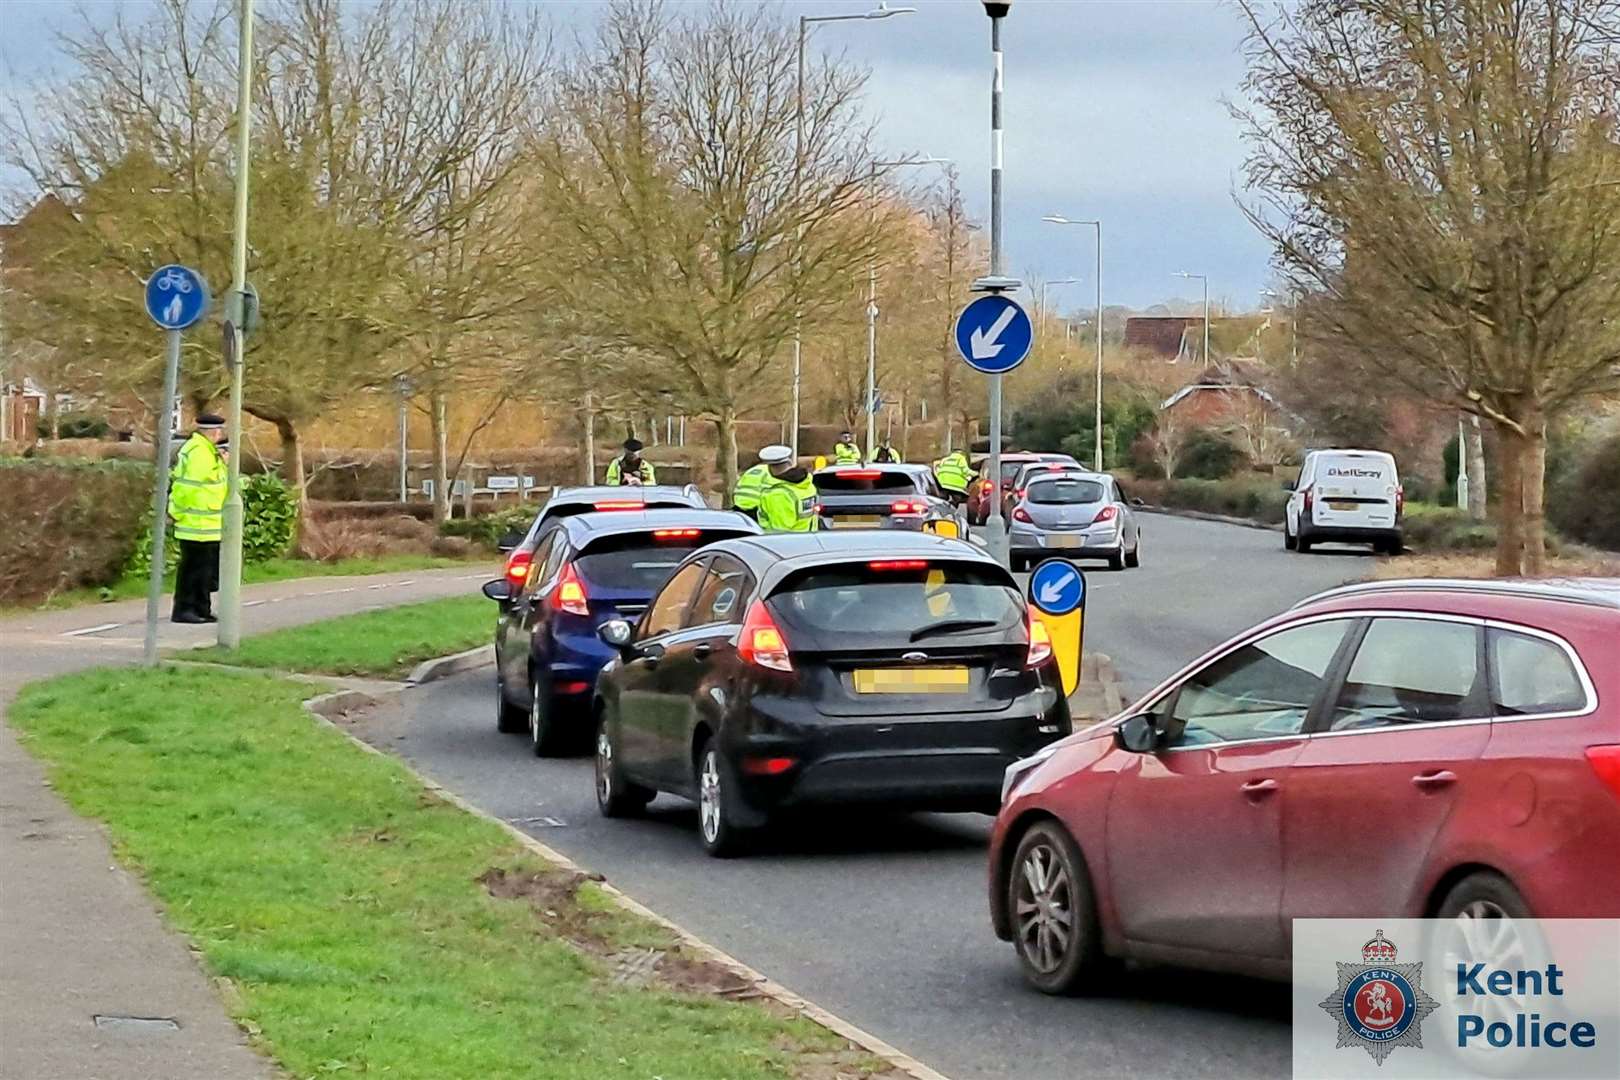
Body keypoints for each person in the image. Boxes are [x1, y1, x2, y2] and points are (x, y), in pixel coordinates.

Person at [169, 413, 229, 623]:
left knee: (205, 570)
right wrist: (179, 512)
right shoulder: (199, 452)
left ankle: (202, 608)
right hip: (196, 521)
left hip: (207, 522)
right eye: (219, 431)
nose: (220, 435)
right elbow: (191, 487)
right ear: (213, 432)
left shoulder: (207, 451)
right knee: (193, 569)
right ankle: (185, 609)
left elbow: (219, 483)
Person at [756, 444, 819, 533]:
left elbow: (779, 531)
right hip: (808, 538)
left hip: (784, 543)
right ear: (789, 463)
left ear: (770, 468)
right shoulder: (807, 485)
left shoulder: (777, 494)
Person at [731, 450, 773, 520]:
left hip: (738, 509)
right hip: (756, 510)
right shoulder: (771, 472)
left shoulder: (750, 471)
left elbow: (737, 489)